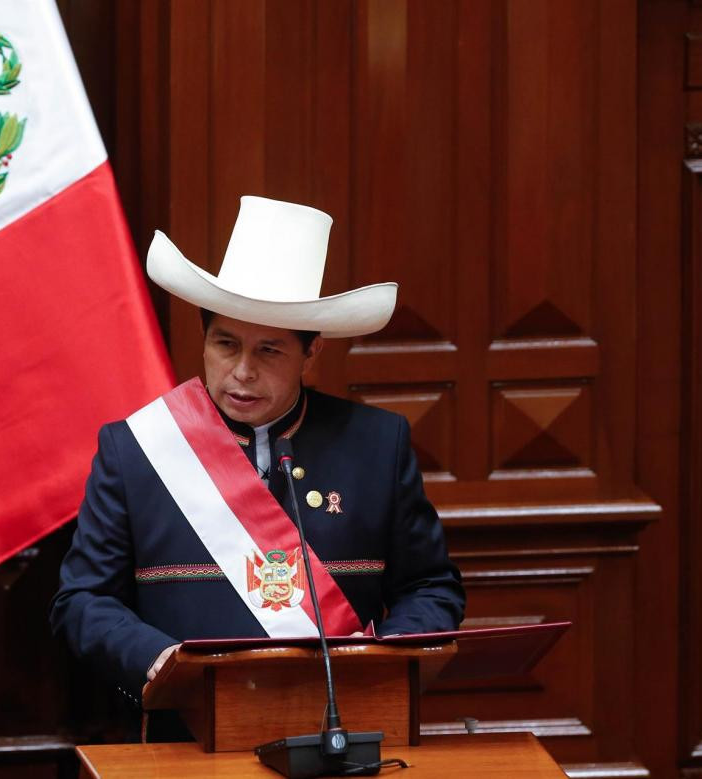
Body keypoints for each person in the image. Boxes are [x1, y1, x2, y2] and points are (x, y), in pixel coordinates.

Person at [50, 196, 465, 705]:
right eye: (226, 345)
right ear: (203, 339)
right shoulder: (136, 450)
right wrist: (159, 662)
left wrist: (385, 660)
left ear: (312, 351)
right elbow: (83, 601)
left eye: (268, 350)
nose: (242, 371)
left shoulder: (377, 445)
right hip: (185, 731)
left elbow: (429, 587)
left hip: (343, 725)